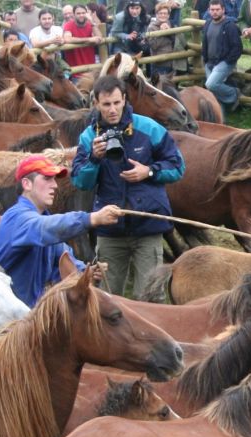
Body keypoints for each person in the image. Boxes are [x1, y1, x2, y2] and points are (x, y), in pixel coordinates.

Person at [71, 75, 185, 297]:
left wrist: (149, 171)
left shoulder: (149, 128)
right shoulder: (88, 137)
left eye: (116, 102)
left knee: (150, 297)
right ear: (96, 103)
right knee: (105, 296)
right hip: (110, 227)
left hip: (148, 225)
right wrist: (94, 158)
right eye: (106, 104)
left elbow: (178, 167)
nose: (112, 109)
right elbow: (80, 182)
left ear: (124, 99)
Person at [0, 154, 123, 307]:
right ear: (26, 184)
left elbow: (63, 258)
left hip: (24, 313)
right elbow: (46, 228)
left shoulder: (42, 222)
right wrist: (91, 218)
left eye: (54, 179)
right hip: (1, 315)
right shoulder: (17, 217)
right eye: (47, 178)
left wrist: (85, 271)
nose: (55, 185)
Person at [202, 0, 243, 111]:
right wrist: (205, 59)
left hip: (224, 62)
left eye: (217, 10)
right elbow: (205, 43)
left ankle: (234, 93)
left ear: (223, 10)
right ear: (209, 10)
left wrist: (228, 61)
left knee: (210, 85)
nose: (215, 12)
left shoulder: (230, 26)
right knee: (212, 91)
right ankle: (221, 116)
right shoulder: (207, 24)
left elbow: (237, 48)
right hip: (209, 62)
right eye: (212, 10)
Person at [63, 5, 103, 82]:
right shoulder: (69, 25)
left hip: (91, 69)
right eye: (78, 13)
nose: (81, 15)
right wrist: (89, 39)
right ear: (74, 15)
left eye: (83, 13)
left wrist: (92, 22)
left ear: (87, 13)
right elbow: (67, 39)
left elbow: (99, 37)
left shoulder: (90, 24)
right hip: (76, 72)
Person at [148, 3, 175, 75]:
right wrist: (161, 32)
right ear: (156, 14)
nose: (163, 15)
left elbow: (175, 41)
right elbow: (154, 46)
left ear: (168, 15)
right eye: (160, 13)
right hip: (159, 63)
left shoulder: (170, 24)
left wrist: (170, 31)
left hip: (171, 61)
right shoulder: (151, 27)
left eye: (165, 13)